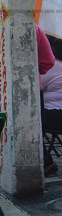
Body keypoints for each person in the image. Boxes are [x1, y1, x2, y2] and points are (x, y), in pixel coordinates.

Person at [0, 19, 54, 181]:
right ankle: (32, 169)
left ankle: (2, 172)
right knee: (27, 129)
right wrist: (30, 71)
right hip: (29, 86)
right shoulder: (34, 28)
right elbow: (48, 61)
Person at [41, 34, 62, 176]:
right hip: (56, 111)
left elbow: (34, 86)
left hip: (56, 113)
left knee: (27, 122)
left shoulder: (54, 65)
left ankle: (47, 163)